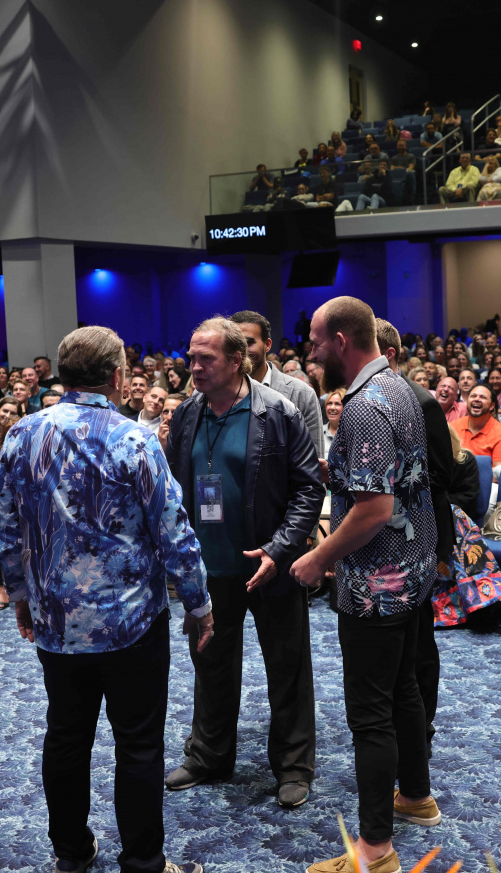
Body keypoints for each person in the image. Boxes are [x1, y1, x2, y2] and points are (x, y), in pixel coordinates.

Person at [0, 325, 211, 873]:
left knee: (66, 736)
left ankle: (71, 852)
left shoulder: (21, 435)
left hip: (56, 620)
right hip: (130, 622)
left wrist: (20, 595)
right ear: (117, 377)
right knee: (138, 744)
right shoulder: (134, 439)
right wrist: (199, 603)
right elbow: (174, 531)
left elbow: (5, 531)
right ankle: (143, 863)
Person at [293, 297, 439, 873]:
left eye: (315, 342)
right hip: (412, 572)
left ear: (341, 342)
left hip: (376, 584)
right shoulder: (397, 386)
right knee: (404, 690)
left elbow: (375, 509)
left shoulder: (363, 405)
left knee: (370, 715)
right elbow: (398, 481)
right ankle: (416, 796)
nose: (311, 352)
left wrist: (319, 558)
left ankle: (375, 851)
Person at [162, 317, 322, 808]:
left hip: (268, 563)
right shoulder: (187, 413)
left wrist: (279, 548)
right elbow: (176, 489)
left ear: (237, 361)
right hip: (208, 568)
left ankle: (293, 767)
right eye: (191, 358)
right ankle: (209, 755)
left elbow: (309, 489)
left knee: (287, 666)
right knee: (210, 663)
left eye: (205, 359)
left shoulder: (278, 411)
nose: (194, 367)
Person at [376, 318, 454, 756]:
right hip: (387, 535)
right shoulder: (371, 399)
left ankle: (421, 725)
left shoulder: (421, 401)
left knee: (420, 636)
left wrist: (382, 491)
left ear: (388, 354)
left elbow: (441, 474)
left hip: (420, 533)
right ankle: (398, 722)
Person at [230, 310, 325, 458]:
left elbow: (314, 461)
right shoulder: (215, 393)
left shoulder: (302, 393)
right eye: (235, 344)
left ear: (267, 345)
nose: (241, 351)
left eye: (249, 343)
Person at [458, 385, 501, 480]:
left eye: (483, 397)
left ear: (492, 406)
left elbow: (499, 474)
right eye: (473, 396)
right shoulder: (453, 427)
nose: (477, 399)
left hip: (486, 484)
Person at [322, 388, 345, 455]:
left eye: (337, 404)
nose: (332, 408)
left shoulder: (351, 434)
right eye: (329, 403)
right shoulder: (319, 433)